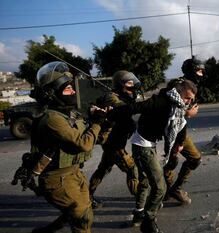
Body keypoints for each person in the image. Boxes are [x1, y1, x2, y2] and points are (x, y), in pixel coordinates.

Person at [29, 61, 106, 233]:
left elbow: (92, 136)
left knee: (83, 211)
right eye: (67, 89)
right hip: (57, 179)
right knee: (82, 218)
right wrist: (97, 122)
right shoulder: (52, 119)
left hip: (74, 172)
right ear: (52, 94)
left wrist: (101, 121)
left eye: (72, 88)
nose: (73, 92)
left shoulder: (68, 113)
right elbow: (83, 144)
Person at [124, 79, 197, 233]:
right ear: (176, 92)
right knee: (160, 188)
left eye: (191, 99)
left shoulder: (174, 107)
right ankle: (148, 222)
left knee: (145, 181)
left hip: (146, 145)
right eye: (187, 98)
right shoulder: (162, 103)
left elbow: (180, 123)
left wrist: (179, 142)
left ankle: (139, 213)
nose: (189, 102)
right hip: (143, 147)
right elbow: (135, 107)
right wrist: (111, 111)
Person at [88, 70, 141, 209]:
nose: (133, 86)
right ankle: (140, 198)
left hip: (115, 140)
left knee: (103, 168)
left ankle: (87, 196)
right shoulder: (111, 97)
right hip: (113, 142)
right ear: (121, 84)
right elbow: (122, 108)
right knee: (131, 169)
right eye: (130, 83)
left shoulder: (124, 96)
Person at [162, 58, 204, 205]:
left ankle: (166, 190)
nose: (201, 74)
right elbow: (171, 111)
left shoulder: (188, 85)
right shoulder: (177, 85)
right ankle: (172, 189)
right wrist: (188, 114)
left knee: (172, 161)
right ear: (192, 70)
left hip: (179, 128)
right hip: (173, 129)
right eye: (199, 71)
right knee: (193, 159)